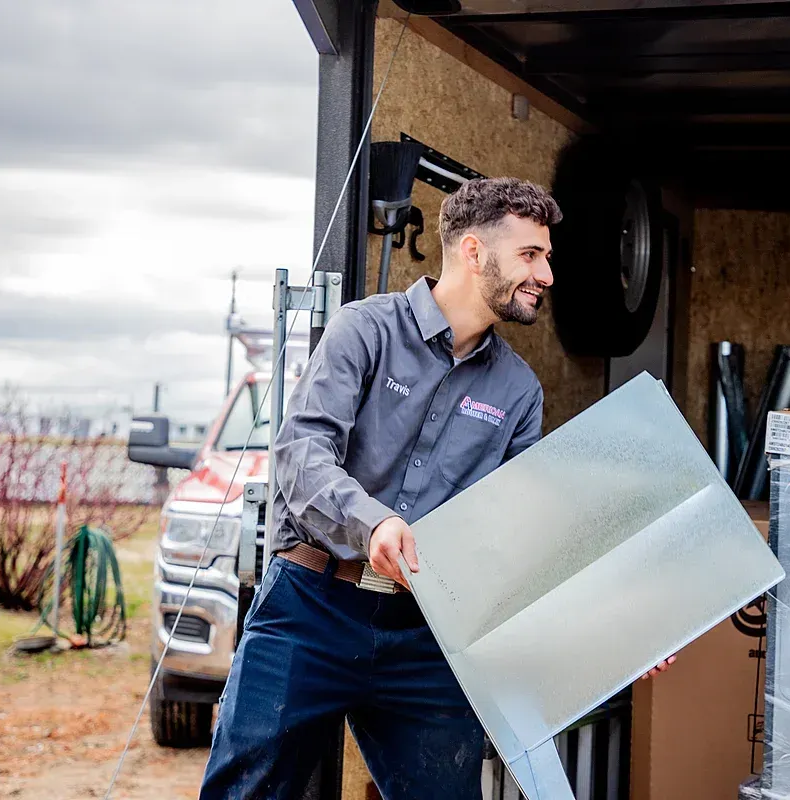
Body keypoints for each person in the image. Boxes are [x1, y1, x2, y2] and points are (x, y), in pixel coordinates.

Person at [199, 177, 674, 800]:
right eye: (532, 255)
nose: (548, 275)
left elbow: (530, 534)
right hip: (310, 607)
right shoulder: (363, 332)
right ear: (474, 252)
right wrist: (372, 524)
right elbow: (301, 454)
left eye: (547, 258)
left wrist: (613, 625)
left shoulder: (519, 391)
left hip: (426, 636)